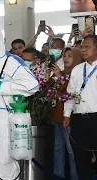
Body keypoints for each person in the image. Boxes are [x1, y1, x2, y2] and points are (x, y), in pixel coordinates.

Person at [0, 23, 38, 180]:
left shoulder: (11, 61)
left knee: (3, 161)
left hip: (3, 117)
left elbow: (32, 85)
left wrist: (4, 87)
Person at [63, 34, 97, 180]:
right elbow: (70, 93)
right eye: (82, 47)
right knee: (80, 157)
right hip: (79, 120)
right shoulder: (77, 69)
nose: (83, 50)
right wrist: (66, 114)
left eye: (87, 47)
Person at [46, 47, 82, 180]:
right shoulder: (62, 73)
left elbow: (70, 94)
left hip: (69, 117)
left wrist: (60, 76)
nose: (66, 58)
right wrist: (50, 75)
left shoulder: (78, 74)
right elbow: (50, 89)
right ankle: (58, 175)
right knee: (58, 149)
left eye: (70, 56)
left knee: (71, 150)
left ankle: (75, 176)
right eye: (65, 55)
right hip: (57, 117)